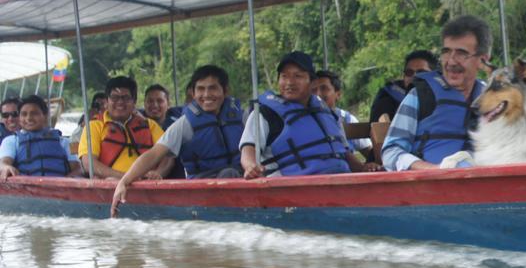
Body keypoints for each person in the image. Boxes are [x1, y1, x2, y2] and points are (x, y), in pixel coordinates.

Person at [110, 66, 244, 216]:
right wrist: (124, 181)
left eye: (213, 88)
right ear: (193, 93)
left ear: (225, 91)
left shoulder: (240, 116)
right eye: (200, 89)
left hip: (241, 178)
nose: (206, 95)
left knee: (234, 172)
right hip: (204, 183)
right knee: (229, 173)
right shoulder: (185, 124)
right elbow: (154, 154)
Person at [239, 51, 379, 178]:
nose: (289, 83)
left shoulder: (326, 112)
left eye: (297, 76)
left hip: (338, 181)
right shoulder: (265, 114)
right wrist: (250, 166)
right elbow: (248, 148)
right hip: (293, 187)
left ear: (312, 83)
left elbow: (344, 152)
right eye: (284, 76)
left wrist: (362, 168)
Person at [381, 15, 491, 171]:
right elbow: (390, 152)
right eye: (446, 52)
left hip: (480, 187)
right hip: (428, 189)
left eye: (461, 53)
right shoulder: (420, 96)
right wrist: (432, 170)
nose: (451, 62)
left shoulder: (493, 100)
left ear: (482, 60)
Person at [77, 76, 165, 179]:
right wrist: (128, 178)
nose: (120, 102)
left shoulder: (150, 125)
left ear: (134, 101)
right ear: (107, 101)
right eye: (114, 97)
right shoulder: (94, 126)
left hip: (148, 187)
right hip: (109, 188)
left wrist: (159, 173)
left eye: (126, 98)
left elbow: (168, 156)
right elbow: (89, 164)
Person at [0, 95, 75, 179]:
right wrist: (5, 167)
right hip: (26, 190)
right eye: (24, 114)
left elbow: (78, 169)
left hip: (60, 189)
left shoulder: (66, 142)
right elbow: (3, 163)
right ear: (20, 118)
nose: (29, 118)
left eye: (34, 113)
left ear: (45, 116)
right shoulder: (11, 141)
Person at [312, 69, 373, 157]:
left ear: (338, 94)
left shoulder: (347, 119)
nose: (318, 94)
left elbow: (370, 153)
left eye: (324, 88)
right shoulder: (303, 121)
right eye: (313, 90)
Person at [369, 49, 439, 123]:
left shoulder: (444, 97)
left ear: (434, 76)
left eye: (421, 72)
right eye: (409, 73)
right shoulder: (388, 98)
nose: (414, 77)